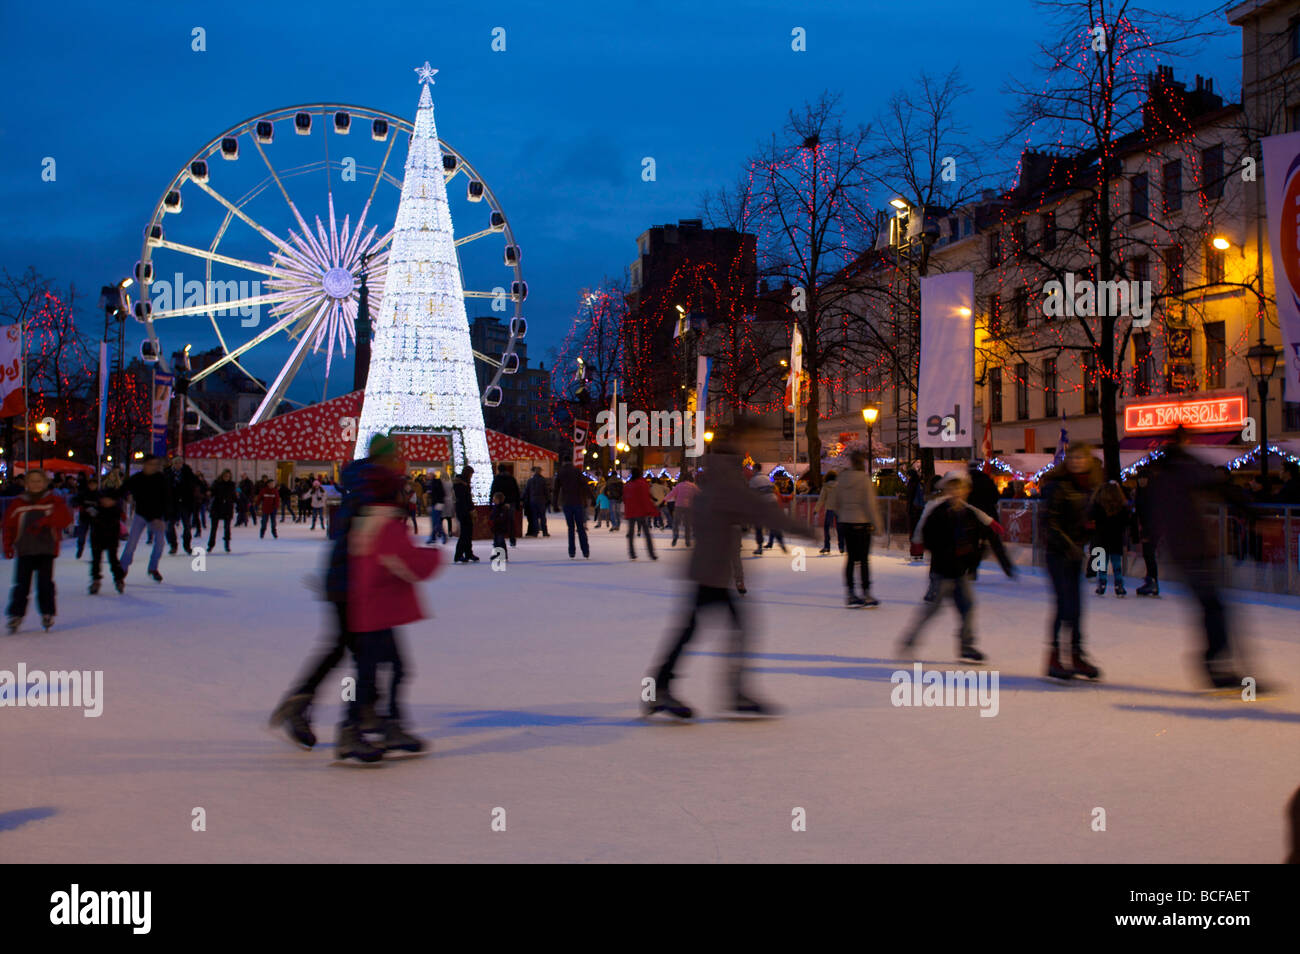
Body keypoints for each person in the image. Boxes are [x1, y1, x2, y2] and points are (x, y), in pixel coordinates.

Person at [644, 442, 815, 718]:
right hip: (712, 574)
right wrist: (806, 531)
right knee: (731, 628)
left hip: (706, 571)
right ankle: (727, 691)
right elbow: (767, 514)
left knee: (693, 631)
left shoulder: (709, 488)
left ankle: (661, 689)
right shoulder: (728, 490)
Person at [269, 434, 404, 749]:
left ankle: (307, 704)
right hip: (355, 582)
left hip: (342, 579)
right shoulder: (373, 486)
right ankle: (357, 720)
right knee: (366, 652)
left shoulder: (360, 482)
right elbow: (373, 538)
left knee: (346, 648)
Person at [337, 468, 443, 763]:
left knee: (381, 670)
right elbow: (406, 564)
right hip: (377, 612)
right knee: (382, 671)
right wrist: (434, 556)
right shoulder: (387, 524)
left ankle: (381, 725)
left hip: (370, 611)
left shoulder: (368, 518)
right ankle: (356, 729)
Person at [1150, 428, 1257, 689]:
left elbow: (1153, 512)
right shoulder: (1185, 468)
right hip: (1192, 550)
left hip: (1185, 549)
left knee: (1212, 606)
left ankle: (1216, 664)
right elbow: (1218, 486)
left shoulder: (1162, 474)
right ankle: (1215, 664)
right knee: (1214, 606)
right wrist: (1252, 514)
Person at [897, 469, 1013, 661]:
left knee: (967, 607)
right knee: (931, 609)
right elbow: (929, 536)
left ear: (966, 490)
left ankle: (967, 646)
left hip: (961, 572)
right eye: (953, 488)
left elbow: (978, 537)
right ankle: (911, 639)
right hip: (941, 571)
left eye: (960, 488)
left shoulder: (969, 513)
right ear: (947, 490)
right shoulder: (938, 512)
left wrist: (973, 557)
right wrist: (944, 551)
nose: (957, 492)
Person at [1039, 442, 1102, 680]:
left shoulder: (1088, 488)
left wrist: (1088, 531)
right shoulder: (1058, 486)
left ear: (1088, 461)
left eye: (1080, 458)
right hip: (1058, 554)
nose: (1076, 462)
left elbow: (1087, 519)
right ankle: (1054, 656)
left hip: (1075, 552)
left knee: (1076, 607)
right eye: (1072, 458)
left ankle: (1076, 654)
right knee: (1064, 604)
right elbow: (1050, 523)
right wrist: (1068, 544)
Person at [3, 469, 73, 632]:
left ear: (45, 483)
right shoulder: (18, 503)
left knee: (45, 584)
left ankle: (47, 612)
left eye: (38, 481)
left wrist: (45, 521)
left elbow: (65, 519)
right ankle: (16, 615)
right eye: (32, 481)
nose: (35, 484)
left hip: (46, 550)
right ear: (26, 484)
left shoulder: (54, 500)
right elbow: (8, 526)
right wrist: (7, 545)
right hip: (25, 549)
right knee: (21, 585)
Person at [837, 450, 883, 608]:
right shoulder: (864, 480)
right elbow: (870, 505)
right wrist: (877, 525)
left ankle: (850, 593)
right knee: (863, 560)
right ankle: (866, 593)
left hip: (846, 523)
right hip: (862, 524)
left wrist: (842, 515)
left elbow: (836, 502)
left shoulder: (841, 479)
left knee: (850, 559)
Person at [120, 455, 171, 583]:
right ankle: (122, 568)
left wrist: (164, 517)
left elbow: (166, 498)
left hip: (157, 517)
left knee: (160, 543)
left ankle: (153, 568)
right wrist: (127, 495)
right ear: (145, 464)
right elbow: (123, 489)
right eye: (151, 464)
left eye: (156, 464)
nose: (154, 467)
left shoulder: (160, 478)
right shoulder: (137, 478)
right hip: (141, 514)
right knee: (132, 542)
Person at [1089, 480, 1132, 597]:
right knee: (1116, 562)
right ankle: (1119, 584)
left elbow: (1092, 517)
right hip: (1116, 537)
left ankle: (1102, 583)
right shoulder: (1121, 506)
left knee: (1102, 562)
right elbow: (1126, 521)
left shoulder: (1098, 504)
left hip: (1102, 537)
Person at [85, 479, 125, 595]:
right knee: (96, 560)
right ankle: (95, 579)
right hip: (97, 538)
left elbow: (110, 522)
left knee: (113, 559)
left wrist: (97, 516)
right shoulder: (97, 508)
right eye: (104, 499)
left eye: (109, 500)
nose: (106, 501)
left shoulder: (115, 511)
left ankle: (118, 579)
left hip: (111, 538)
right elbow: (87, 519)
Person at [553, 461, 593, 559]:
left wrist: (555, 504)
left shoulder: (560, 472)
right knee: (580, 527)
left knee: (570, 528)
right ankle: (585, 551)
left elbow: (556, 490)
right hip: (577, 502)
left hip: (567, 503)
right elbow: (585, 485)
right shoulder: (577, 471)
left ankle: (572, 551)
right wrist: (592, 498)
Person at [1132, 469, 1159, 596]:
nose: (1142, 481)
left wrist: (1147, 532)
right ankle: (1151, 581)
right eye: (1140, 478)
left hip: (1151, 528)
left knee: (1149, 555)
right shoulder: (1140, 493)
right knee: (1148, 555)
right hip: (1146, 527)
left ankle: (1152, 581)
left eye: (1144, 478)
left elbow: (1153, 515)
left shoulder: (1151, 495)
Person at [623, 466, 658, 560]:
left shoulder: (628, 485)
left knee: (630, 533)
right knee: (646, 533)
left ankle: (632, 553)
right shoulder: (642, 484)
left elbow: (625, 499)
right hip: (640, 512)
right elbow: (645, 498)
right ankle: (651, 553)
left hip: (631, 512)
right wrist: (651, 509)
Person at [666, 471, 700, 547]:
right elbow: (699, 494)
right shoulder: (693, 486)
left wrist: (664, 500)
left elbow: (671, 494)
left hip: (679, 505)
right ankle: (687, 540)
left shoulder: (679, 485)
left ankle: (675, 534)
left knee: (676, 522)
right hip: (689, 507)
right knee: (687, 524)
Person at [489, 464, 520, 547]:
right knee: (511, 521)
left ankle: (498, 539)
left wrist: (491, 504)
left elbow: (493, 491)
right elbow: (517, 491)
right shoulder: (511, 478)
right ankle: (512, 539)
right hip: (511, 503)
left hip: (500, 503)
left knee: (500, 522)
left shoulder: (497, 479)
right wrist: (517, 504)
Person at [452, 465, 478, 563]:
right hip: (463, 511)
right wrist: (470, 509)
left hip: (465, 510)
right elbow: (464, 499)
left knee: (468, 533)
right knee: (465, 533)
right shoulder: (461, 484)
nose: (471, 476)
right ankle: (459, 555)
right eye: (471, 474)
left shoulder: (464, 483)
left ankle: (468, 553)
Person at [814, 470, 843, 555]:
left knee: (827, 528)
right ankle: (841, 546)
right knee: (840, 528)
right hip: (839, 509)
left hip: (830, 509)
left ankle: (827, 546)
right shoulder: (840, 486)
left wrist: (816, 509)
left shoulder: (826, 486)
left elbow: (821, 499)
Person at [207, 469, 236, 552]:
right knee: (214, 528)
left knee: (227, 528)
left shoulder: (231, 484)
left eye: (228, 476)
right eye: (225, 476)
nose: (227, 477)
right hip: (217, 507)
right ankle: (211, 545)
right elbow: (212, 492)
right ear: (222, 476)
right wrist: (209, 493)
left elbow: (233, 496)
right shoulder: (217, 483)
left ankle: (227, 544)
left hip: (227, 508)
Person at [523, 467, 549, 538]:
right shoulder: (543, 480)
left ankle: (535, 532)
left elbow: (526, 491)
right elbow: (546, 491)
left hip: (532, 501)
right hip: (541, 501)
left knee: (534, 517)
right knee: (542, 517)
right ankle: (545, 532)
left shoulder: (530, 480)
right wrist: (547, 499)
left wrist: (524, 499)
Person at [425, 468, 447, 544]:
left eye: (429, 474)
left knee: (437, 522)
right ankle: (433, 537)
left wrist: (440, 503)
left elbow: (441, 493)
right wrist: (429, 505)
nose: (427, 475)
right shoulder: (429, 483)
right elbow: (429, 495)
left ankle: (442, 536)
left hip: (438, 504)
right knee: (434, 522)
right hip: (433, 504)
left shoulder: (437, 482)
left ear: (432, 474)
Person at [490, 491, 512, 561]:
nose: (493, 500)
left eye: (495, 499)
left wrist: (496, 520)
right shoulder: (495, 507)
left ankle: (502, 555)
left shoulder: (503, 508)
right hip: (496, 527)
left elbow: (503, 518)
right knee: (496, 542)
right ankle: (497, 554)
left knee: (500, 542)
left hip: (501, 527)